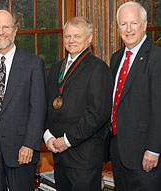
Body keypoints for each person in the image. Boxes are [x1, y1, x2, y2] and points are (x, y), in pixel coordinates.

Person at [0, 9, 47, 191]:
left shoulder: (33, 64)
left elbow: (38, 108)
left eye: (6, 27)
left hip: (21, 150)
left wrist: (29, 144)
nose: (1, 32)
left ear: (15, 29)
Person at [44, 17, 113, 191]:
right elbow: (47, 106)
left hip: (84, 158)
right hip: (58, 155)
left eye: (77, 36)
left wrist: (66, 141)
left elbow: (97, 114)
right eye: (68, 36)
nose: (71, 40)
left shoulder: (99, 68)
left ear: (89, 38)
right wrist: (47, 136)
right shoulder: (56, 68)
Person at [109, 2, 161, 190]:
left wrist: (154, 149)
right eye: (123, 24)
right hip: (118, 152)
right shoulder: (116, 58)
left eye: (134, 23)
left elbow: (158, 108)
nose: (128, 29)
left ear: (145, 25)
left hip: (145, 154)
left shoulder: (156, 58)